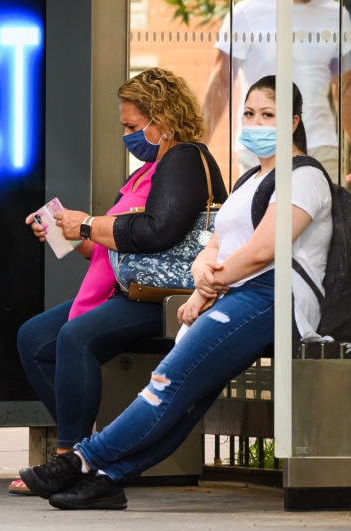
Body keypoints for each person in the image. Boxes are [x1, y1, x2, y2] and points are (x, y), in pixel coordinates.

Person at [19, 77, 334, 510]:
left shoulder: (304, 178)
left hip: (271, 295)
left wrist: (212, 279)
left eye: (268, 116)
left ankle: (82, 459)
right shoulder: (248, 180)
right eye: (248, 114)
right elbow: (217, 241)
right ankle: (108, 478)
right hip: (229, 292)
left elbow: (264, 249)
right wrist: (203, 281)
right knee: (186, 399)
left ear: (293, 122)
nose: (255, 123)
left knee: (166, 384)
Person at [12, 67, 227, 494]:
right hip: (129, 284)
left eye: (132, 126)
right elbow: (117, 246)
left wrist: (88, 224)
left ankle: (70, 460)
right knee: (35, 338)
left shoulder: (184, 159)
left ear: (161, 120)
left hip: (166, 294)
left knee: (75, 337)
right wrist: (68, 232)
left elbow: (154, 232)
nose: (126, 135)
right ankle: (92, 445)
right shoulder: (147, 171)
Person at [202, 0, 351, 187]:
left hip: (319, 146)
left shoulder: (336, 14)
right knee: (261, 225)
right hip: (261, 145)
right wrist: (198, 147)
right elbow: (221, 82)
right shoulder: (247, 14)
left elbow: (345, 85)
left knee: (319, 227)